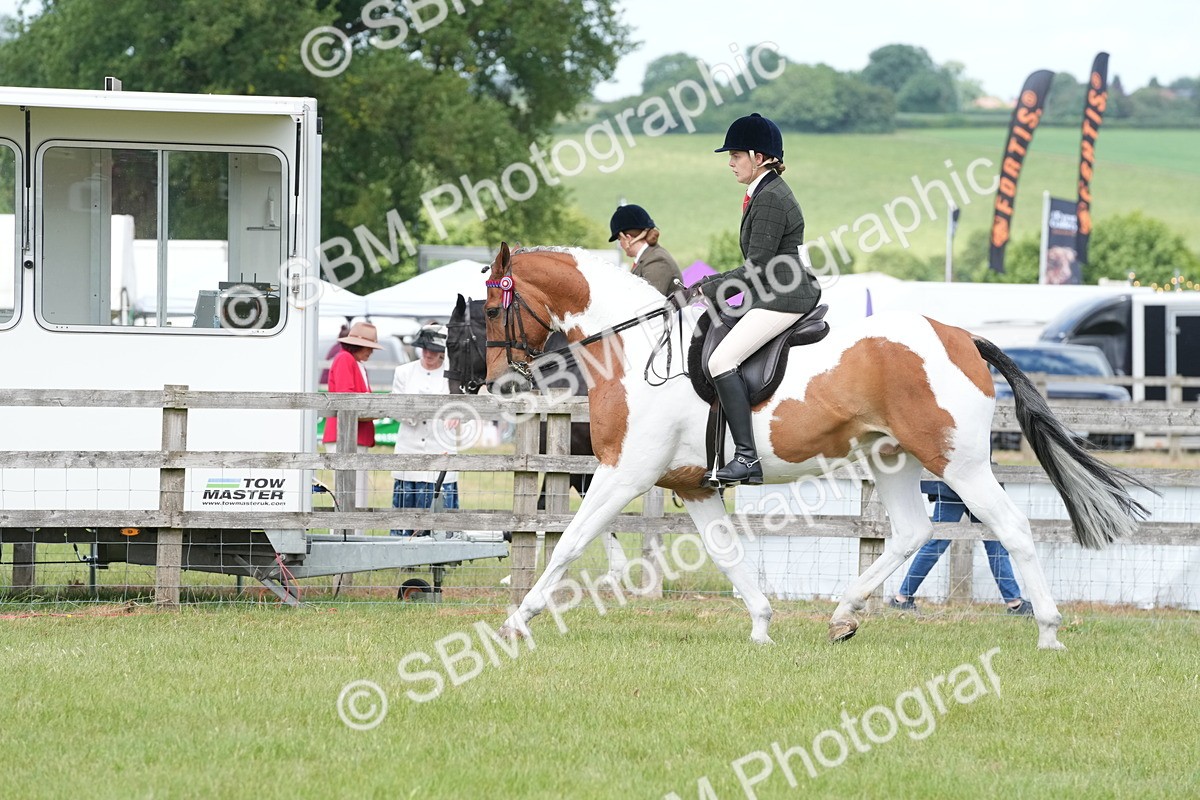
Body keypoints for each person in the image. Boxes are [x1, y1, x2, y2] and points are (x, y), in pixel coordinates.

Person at [690, 112, 820, 487]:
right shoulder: (764, 192)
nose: (730, 163)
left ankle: (747, 457)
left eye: (735, 155)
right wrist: (710, 284)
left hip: (784, 294)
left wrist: (709, 288)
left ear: (758, 157)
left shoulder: (771, 199)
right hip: (774, 288)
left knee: (721, 360)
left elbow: (758, 266)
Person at [889, 481, 1033, 615]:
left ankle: (1015, 603)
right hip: (958, 487)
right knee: (938, 543)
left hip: (977, 489)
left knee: (994, 542)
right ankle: (902, 598)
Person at [390, 323, 460, 536]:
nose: (429, 354)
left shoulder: (454, 375)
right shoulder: (403, 372)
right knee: (406, 511)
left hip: (440, 448)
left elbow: (464, 408)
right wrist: (417, 412)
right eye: (425, 348)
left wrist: (456, 413)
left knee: (439, 514)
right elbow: (395, 408)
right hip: (409, 449)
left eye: (434, 350)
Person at [321, 321, 382, 533]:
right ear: (357, 345)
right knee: (348, 493)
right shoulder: (344, 359)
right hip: (346, 436)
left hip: (354, 436)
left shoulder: (356, 363)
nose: (371, 352)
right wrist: (375, 409)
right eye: (368, 347)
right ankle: (343, 537)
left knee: (358, 494)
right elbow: (347, 400)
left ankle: (353, 536)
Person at [608, 203, 683, 297]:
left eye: (619, 239)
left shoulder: (656, 260)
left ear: (628, 238)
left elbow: (649, 301)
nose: (620, 244)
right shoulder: (646, 259)